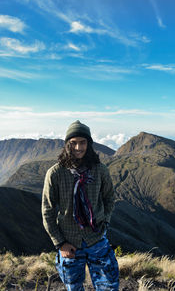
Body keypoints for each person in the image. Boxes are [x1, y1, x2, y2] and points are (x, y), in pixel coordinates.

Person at [42, 120, 119, 291]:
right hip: (69, 244)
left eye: (82, 142)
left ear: (89, 143)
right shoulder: (55, 173)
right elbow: (47, 211)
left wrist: (105, 223)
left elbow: (109, 199)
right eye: (74, 143)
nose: (78, 147)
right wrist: (60, 243)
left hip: (97, 240)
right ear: (67, 145)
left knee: (109, 287)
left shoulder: (100, 170)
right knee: (74, 288)